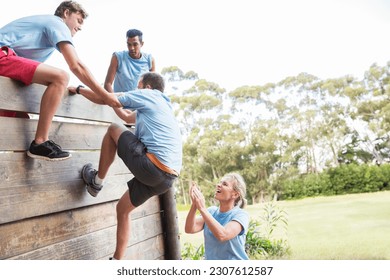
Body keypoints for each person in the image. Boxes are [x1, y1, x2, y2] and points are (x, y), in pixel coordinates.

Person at [68, 72, 182, 260]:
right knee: (123, 209)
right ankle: (117, 261)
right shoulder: (162, 106)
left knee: (113, 128)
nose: (136, 90)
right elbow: (125, 115)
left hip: (154, 167)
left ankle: (96, 182)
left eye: (138, 86)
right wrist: (111, 96)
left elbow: (110, 101)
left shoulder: (149, 95)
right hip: (166, 180)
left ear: (146, 87)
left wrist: (80, 89)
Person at [0, 1, 120, 161]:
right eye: (78, 20)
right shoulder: (56, 23)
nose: (80, 27)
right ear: (65, 13)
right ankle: (40, 142)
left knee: (21, 122)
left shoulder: (43, 37)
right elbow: (76, 65)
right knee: (60, 77)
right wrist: (106, 95)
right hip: (2, 55)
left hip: (7, 65)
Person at [185, 173, 250, 260]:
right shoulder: (211, 211)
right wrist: (194, 204)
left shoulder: (241, 215)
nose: (218, 185)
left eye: (225, 184)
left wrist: (202, 209)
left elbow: (223, 235)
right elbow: (190, 229)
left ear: (235, 194)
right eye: (220, 182)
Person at [104, 29, 155, 93]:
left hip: (141, 100)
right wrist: (115, 101)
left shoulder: (149, 60)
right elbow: (107, 84)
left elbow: (154, 86)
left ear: (141, 44)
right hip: (121, 100)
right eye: (129, 44)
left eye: (135, 44)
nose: (131, 48)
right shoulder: (117, 58)